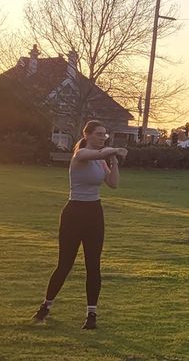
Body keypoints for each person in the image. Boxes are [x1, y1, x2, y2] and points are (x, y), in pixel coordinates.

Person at [33, 121, 126, 330]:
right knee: (64, 264)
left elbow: (113, 184)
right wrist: (112, 151)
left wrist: (114, 161)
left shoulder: (102, 159)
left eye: (105, 134)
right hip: (74, 212)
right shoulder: (81, 155)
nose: (103, 137)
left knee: (93, 266)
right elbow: (94, 154)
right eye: (99, 134)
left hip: (94, 213)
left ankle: (91, 314)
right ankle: (46, 305)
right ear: (88, 135)